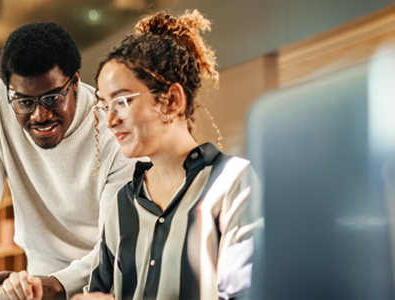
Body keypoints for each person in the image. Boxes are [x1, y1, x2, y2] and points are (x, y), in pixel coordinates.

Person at [76, 10, 262, 300]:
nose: (110, 119)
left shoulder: (233, 183)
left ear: (172, 100)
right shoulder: (122, 205)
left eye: (122, 101)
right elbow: (99, 292)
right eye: (104, 105)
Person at [0, 22, 136, 300]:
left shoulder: (114, 127)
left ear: (74, 82)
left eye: (52, 98)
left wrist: (57, 284)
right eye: (24, 102)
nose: (39, 115)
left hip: (106, 287)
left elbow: (116, 245)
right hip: (37, 283)